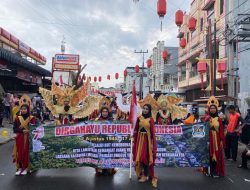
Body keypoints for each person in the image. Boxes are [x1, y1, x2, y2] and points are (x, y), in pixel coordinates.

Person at [133, 104, 158, 187]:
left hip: (147, 141)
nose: (145, 110)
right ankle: (142, 173)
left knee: (145, 157)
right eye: (144, 108)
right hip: (139, 141)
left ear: (149, 110)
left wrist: (152, 144)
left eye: (147, 109)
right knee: (139, 157)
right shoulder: (139, 118)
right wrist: (133, 135)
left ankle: (146, 175)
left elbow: (153, 133)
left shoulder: (151, 120)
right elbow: (136, 129)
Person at [204, 97, 225, 178]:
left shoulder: (219, 119)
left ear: (216, 109)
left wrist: (221, 141)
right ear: (209, 109)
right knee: (208, 155)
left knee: (216, 154)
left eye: (214, 108)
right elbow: (203, 129)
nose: (212, 110)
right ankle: (208, 171)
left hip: (216, 139)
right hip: (208, 139)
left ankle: (215, 171)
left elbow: (221, 131)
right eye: (211, 108)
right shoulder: (206, 118)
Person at [12, 104, 36, 175]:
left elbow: (35, 128)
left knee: (27, 153)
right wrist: (22, 131)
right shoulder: (17, 118)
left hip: (28, 138)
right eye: (22, 109)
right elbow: (14, 129)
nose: (23, 110)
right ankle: (19, 167)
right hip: (20, 137)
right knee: (19, 152)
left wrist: (29, 130)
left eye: (25, 109)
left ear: (28, 110)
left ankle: (26, 167)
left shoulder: (32, 118)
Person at [95, 106, 117, 176]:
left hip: (109, 141)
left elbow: (115, 130)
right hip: (100, 141)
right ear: (101, 112)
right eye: (103, 111)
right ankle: (101, 170)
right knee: (101, 155)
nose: (105, 113)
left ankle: (108, 169)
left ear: (108, 112)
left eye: (106, 111)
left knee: (108, 155)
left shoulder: (111, 120)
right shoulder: (97, 120)